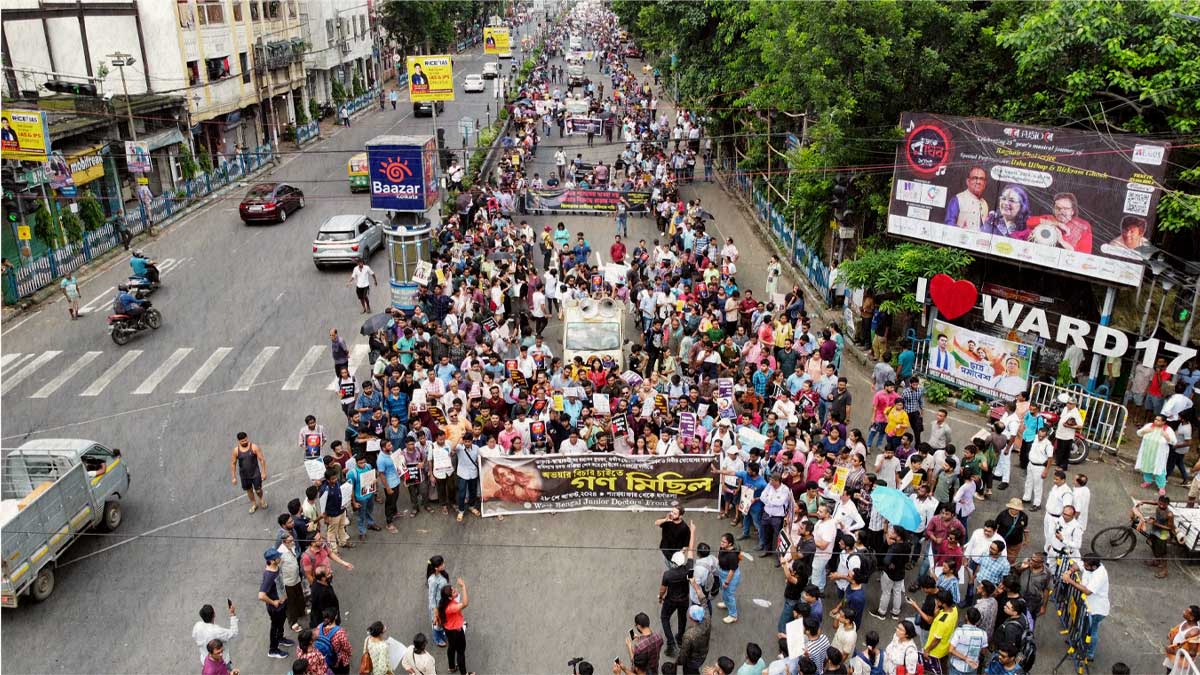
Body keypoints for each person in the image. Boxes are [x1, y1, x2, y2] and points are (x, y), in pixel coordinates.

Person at [1060, 555, 1109, 662]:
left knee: (1091, 631)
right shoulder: (1089, 565)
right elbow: (1078, 565)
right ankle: (1078, 643)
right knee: (1082, 626)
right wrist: (1070, 571)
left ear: (1093, 567)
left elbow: (1087, 591)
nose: (1084, 566)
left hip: (1097, 609)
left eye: (1086, 565)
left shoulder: (1099, 575)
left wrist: (1070, 581)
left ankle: (1089, 654)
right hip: (1087, 606)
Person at [259, 548, 293, 659]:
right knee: (275, 627)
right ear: (273, 561)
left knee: (280, 624)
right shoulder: (269, 575)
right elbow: (261, 595)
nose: (280, 558)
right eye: (278, 557)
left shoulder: (275, 568)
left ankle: (280, 638)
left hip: (282, 603)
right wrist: (273, 602)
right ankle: (273, 649)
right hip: (275, 608)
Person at [1133, 495, 1176, 578]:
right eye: (1160, 503)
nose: (1161, 505)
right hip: (1155, 530)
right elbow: (1153, 502)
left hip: (1162, 534)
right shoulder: (1159, 504)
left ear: (1167, 504)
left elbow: (1170, 527)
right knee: (1151, 544)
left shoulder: (1169, 514)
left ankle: (1165, 571)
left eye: (1164, 504)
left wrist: (1156, 523)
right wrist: (1143, 501)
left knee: (1162, 553)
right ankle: (1157, 561)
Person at [437, 578, 472, 675]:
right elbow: (465, 603)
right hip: (456, 631)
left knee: (452, 647)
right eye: (453, 592)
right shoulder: (451, 607)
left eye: (454, 588)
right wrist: (463, 586)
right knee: (461, 652)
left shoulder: (443, 603)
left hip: (448, 629)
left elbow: (437, 611)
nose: (456, 590)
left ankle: (451, 667)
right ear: (449, 598)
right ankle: (464, 673)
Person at [1136, 414, 1177, 496]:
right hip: (1147, 451)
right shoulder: (1149, 426)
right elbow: (1139, 433)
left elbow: (1174, 442)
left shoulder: (1168, 429)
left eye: (1158, 420)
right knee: (1146, 466)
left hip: (1159, 454)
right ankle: (1147, 481)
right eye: (1155, 419)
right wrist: (1144, 431)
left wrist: (1166, 436)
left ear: (1163, 422)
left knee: (1160, 470)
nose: (1156, 421)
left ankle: (1161, 487)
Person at [193, 602, 239, 668]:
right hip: (221, 663)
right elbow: (234, 633)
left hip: (206, 661)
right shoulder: (217, 631)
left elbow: (195, 637)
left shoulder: (197, 626)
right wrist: (232, 614)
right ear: (214, 614)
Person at [231, 432, 267, 513]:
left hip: (255, 474)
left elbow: (262, 460)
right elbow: (233, 463)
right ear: (239, 441)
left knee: (258, 490)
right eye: (242, 441)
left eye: (245, 440)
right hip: (244, 476)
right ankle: (254, 504)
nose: (244, 442)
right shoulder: (236, 451)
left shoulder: (254, 447)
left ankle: (261, 499)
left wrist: (264, 472)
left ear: (247, 438)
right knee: (249, 490)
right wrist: (233, 477)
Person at [946, 606, 988, 675]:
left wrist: (965, 658)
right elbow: (983, 651)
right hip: (972, 667)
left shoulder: (959, 631)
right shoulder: (983, 634)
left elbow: (951, 650)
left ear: (966, 617)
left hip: (957, 666)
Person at [1163, 605, 1200, 673]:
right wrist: (1171, 635)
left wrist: (1175, 652)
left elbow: (1192, 653)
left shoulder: (1193, 632)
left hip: (1181, 661)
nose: (1184, 612)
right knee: (1169, 670)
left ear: (1192, 617)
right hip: (1174, 654)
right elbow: (1178, 630)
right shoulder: (1187, 622)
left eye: (1186, 612)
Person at [1053, 397, 1083, 471]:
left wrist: (1069, 426)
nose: (1068, 405)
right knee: (1059, 450)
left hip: (1067, 436)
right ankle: (1058, 464)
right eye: (1068, 403)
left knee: (1065, 452)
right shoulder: (1065, 409)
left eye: (1070, 404)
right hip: (1060, 433)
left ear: (1074, 405)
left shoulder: (1075, 413)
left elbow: (1080, 425)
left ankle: (1063, 467)